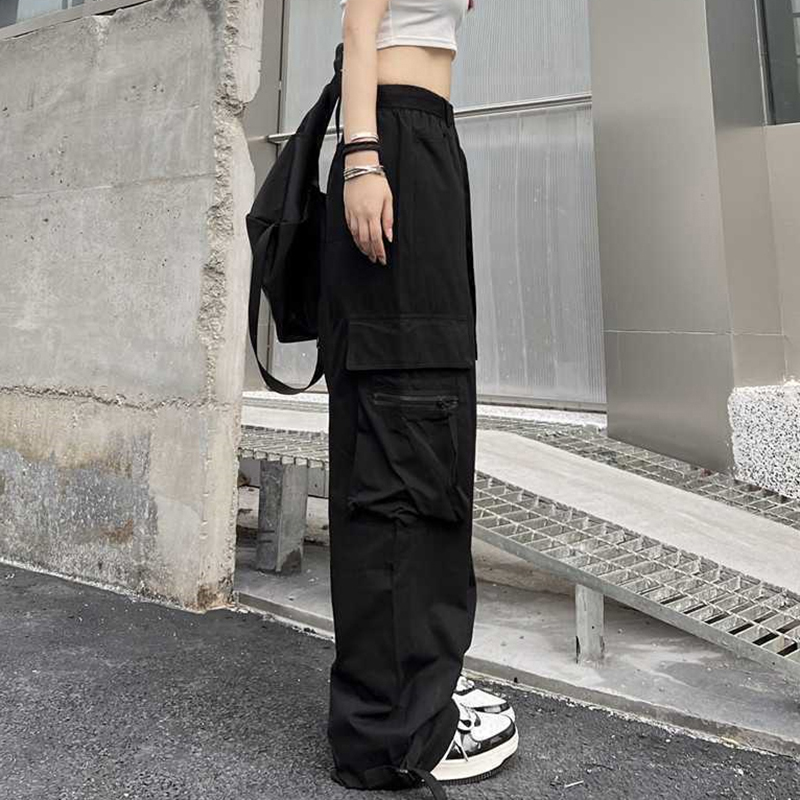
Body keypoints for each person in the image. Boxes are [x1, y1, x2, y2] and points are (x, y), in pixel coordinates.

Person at [318, 0, 519, 794]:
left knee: (431, 405)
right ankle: (393, 729)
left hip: (426, 137)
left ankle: (417, 686)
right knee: (404, 413)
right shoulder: (378, 141)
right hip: (391, 138)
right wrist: (363, 154)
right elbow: (358, 24)